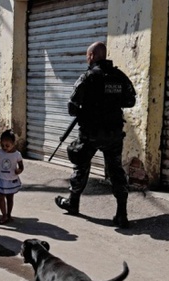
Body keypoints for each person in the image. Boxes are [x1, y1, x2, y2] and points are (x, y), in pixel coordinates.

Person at [55, 41, 136, 228]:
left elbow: (71, 107)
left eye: (87, 56)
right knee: (116, 170)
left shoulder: (88, 77)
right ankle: (121, 214)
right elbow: (130, 100)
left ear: (91, 56)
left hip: (91, 133)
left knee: (80, 166)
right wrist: (112, 103)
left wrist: (88, 109)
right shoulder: (119, 76)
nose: (87, 59)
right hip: (113, 133)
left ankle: (73, 202)